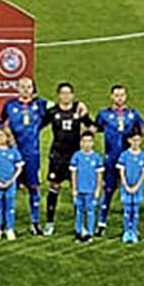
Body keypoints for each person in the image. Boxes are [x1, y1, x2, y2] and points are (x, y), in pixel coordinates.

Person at [0, 79, 51, 235]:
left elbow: (59, 109)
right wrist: (6, 138)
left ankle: (35, 223)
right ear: (17, 89)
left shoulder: (40, 104)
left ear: (34, 89)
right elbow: (2, 124)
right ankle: (4, 224)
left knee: (34, 187)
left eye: (29, 87)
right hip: (11, 154)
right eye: (22, 87)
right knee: (7, 186)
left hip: (31, 154)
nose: (26, 90)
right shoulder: (10, 105)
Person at [94, 84, 144, 236]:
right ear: (111, 96)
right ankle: (101, 223)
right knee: (108, 190)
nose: (119, 98)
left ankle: (130, 226)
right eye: (116, 95)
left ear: (126, 96)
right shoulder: (103, 114)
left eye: (122, 95)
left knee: (130, 189)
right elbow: (93, 129)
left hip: (130, 160)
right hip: (111, 158)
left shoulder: (133, 114)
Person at [42, 82, 92, 236]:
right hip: (57, 156)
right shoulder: (52, 112)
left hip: (75, 156)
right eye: (62, 93)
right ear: (58, 95)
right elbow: (37, 126)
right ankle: (49, 223)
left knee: (76, 189)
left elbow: (92, 126)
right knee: (54, 188)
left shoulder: (79, 109)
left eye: (68, 93)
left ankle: (80, 225)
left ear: (73, 95)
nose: (65, 96)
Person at [0, 127, 24, 241]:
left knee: (10, 207)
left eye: (2, 136)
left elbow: (19, 168)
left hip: (10, 185)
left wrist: (11, 180)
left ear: (8, 137)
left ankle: (9, 228)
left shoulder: (14, 152)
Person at [70, 131, 104, 243]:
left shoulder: (97, 157)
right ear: (80, 143)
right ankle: (78, 232)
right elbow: (74, 173)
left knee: (91, 211)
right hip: (80, 189)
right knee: (79, 211)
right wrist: (74, 188)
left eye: (89, 141)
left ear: (93, 143)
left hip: (91, 190)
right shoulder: (77, 156)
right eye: (84, 141)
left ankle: (89, 233)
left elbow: (99, 175)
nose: (87, 144)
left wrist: (98, 189)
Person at [116, 131, 144, 244]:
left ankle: (134, 231)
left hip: (137, 187)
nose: (136, 143)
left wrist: (136, 186)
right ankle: (127, 231)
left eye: (138, 140)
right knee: (127, 210)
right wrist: (125, 185)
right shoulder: (124, 155)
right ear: (129, 141)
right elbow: (121, 171)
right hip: (126, 186)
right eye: (133, 140)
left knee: (135, 210)